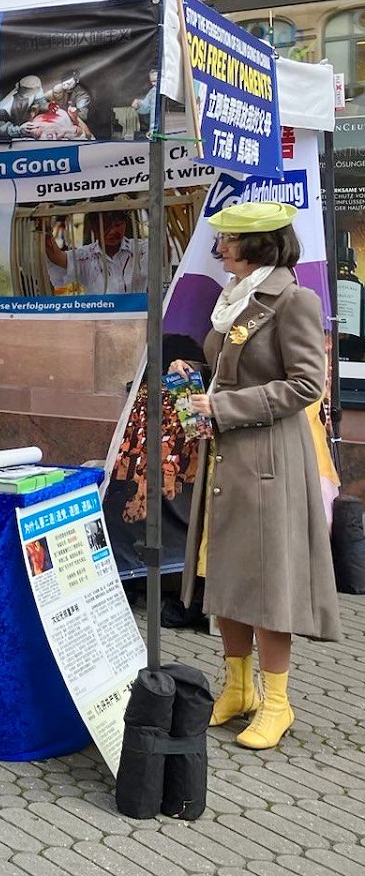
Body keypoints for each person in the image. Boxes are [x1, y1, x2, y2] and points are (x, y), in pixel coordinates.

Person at [175, 201, 340, 750]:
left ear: (256, 244)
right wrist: (198, 376)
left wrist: (223, 408)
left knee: (269, 582)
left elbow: (305, 385)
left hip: (270, 458)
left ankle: (278, 702)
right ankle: (238, 688)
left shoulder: (294, 299)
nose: (217, 248)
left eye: (226, 240)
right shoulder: (232, 300)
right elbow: (235, 370)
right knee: (226, 573)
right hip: (229, 458)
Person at [44, 209, 147, 295]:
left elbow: (163, 250)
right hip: (101, 318)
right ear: (93, 228)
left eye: (118, 225)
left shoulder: (141, 249)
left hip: (140, 316)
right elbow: (56, 257)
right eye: (106, 226)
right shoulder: (85, 255)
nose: (112, 231)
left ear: (125, 224)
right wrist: (44, 227)